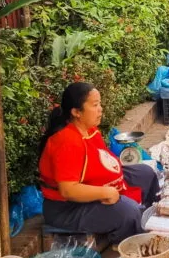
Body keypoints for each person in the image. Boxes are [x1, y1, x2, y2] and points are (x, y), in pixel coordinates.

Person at [39, 82, 160, 245]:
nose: (100, 109)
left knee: (146, 173)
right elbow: (68, 190)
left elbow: (101, 161)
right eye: (95, 105)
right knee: (127, 211)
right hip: (67, 208)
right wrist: (105, 192)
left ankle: (150, 219)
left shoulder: (89, 129)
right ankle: (125, 241)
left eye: (100, 104)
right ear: (76, 112)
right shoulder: (66, 142)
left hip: (93, 183)